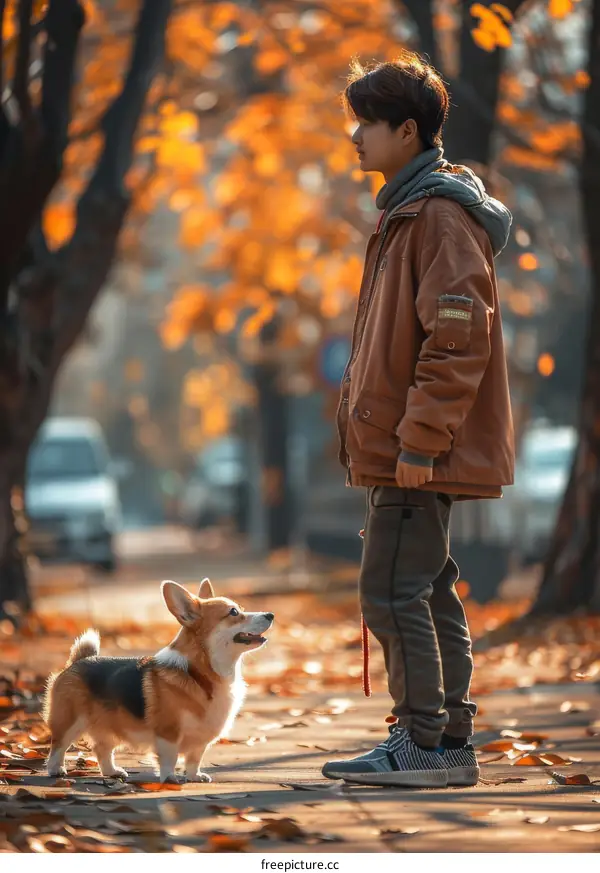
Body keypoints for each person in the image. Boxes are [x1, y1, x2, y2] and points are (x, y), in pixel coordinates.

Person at [322, 52, 515, 788]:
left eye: (367, 122)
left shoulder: (436, 216)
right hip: (406, 447)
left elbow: (458, 338)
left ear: (408, 130)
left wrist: (419, 442)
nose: (355, 136)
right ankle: (446, 741)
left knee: (393, 590)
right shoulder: (410, 212)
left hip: (415, 450)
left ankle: (421, 744)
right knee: (425, 586)